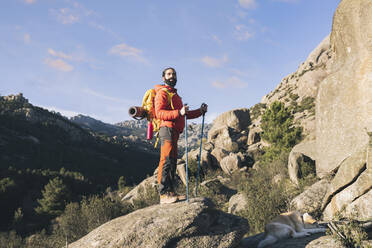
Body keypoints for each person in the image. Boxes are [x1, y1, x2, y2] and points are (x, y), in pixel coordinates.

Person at [155, 67, 208, 204]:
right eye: (169, 74)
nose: (172, 76)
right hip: (166, 129)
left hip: (174, 131)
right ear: (163, 77)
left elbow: (185, 115)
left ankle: (171, 192)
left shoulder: (176, 95)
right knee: (166, 160)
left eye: (174, 74)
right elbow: (159, 113)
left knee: (172, 162)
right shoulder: (162, 93)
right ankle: (163, 194)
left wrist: (200, 111)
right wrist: (178, 113)